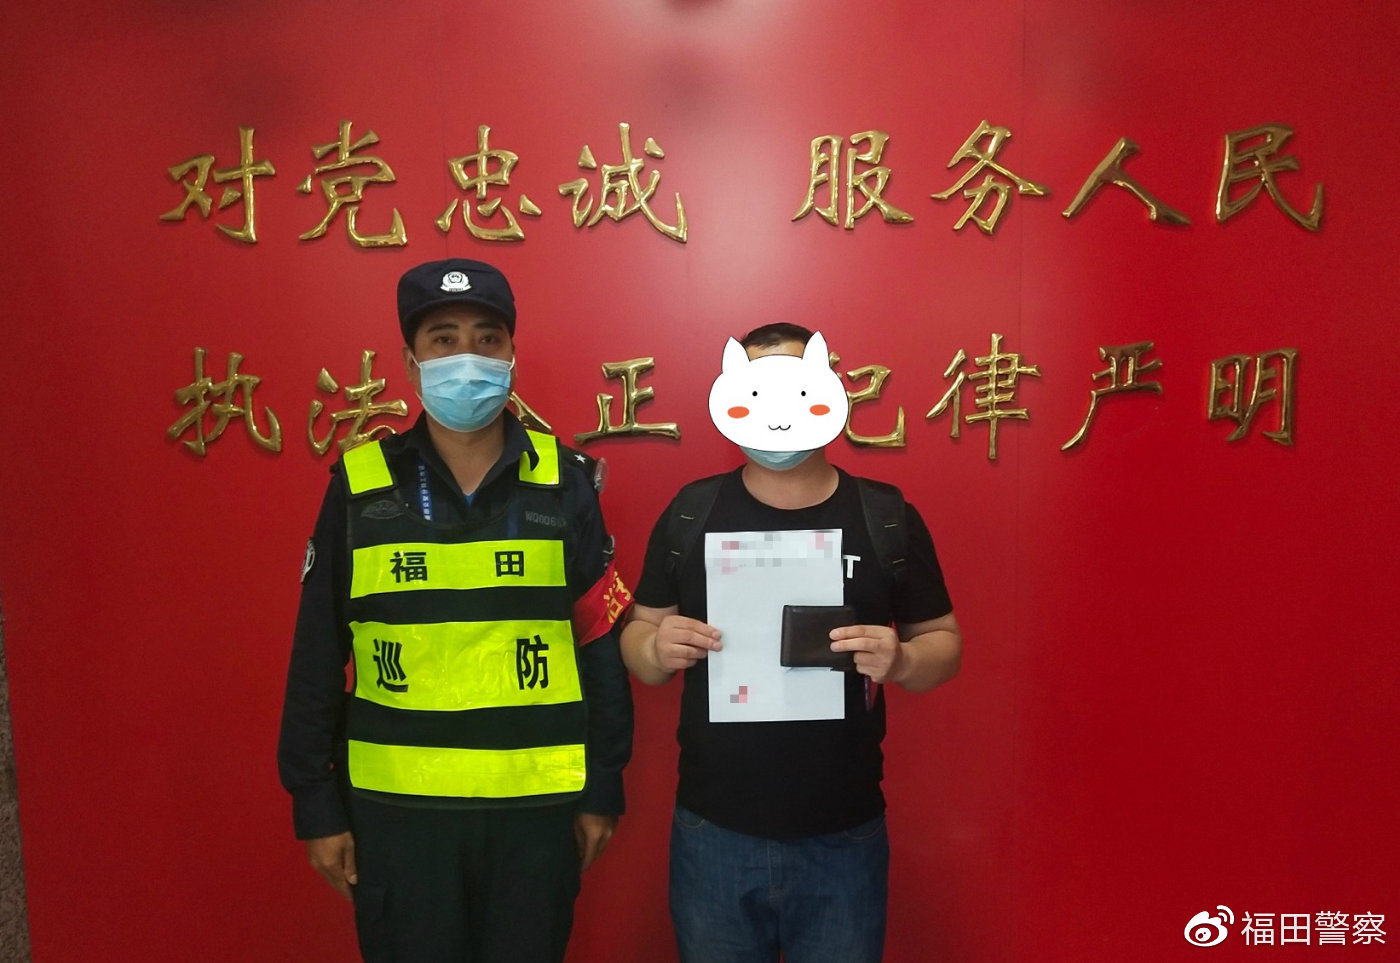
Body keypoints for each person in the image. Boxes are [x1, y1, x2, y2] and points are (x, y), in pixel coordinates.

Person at [278, 257, 634, 962]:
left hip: (535, 817)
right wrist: (314, 800)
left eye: (486, 338)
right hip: (398, 822)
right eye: (443, 339)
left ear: (510, 357)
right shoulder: (359, 486)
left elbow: (599, 645)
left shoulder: (562, 483)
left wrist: (604, 786)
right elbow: (317, 653)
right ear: (411, 364)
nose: (467, 357)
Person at [621, 322, 962, 963]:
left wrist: (904, 659)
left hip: (844, 831)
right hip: (714, 828)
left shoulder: (884, 516)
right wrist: (654, 649)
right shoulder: (692, 512)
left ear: (826, 390)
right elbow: (639, 634)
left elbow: (943, 642)